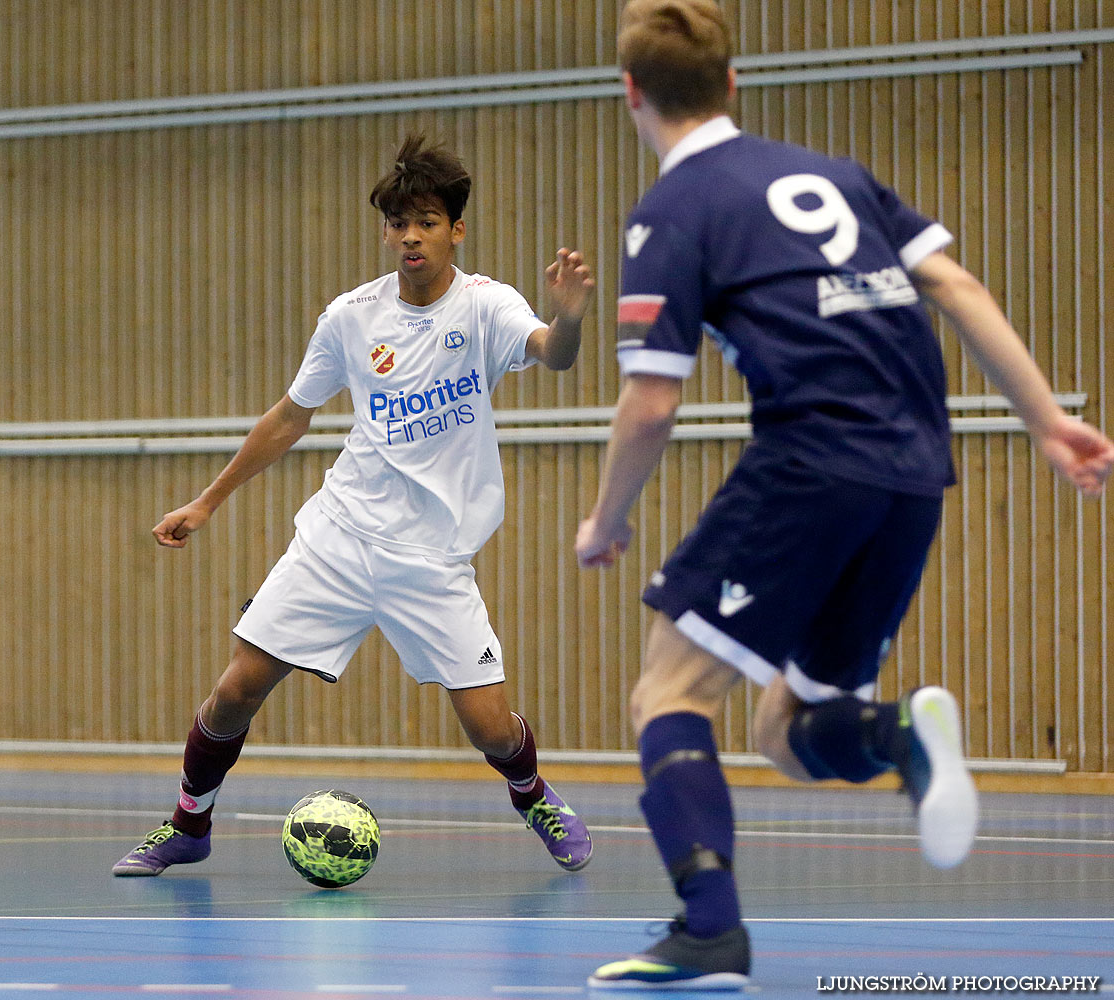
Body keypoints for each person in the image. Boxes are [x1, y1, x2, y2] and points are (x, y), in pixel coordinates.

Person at [575, 0, 1114, 990]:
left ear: (631, 94)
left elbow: (650, 402)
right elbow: (956, 288)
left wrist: (604, 522)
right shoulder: (835, 175)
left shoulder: (671, 211)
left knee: (670, 691)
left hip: (809, 461)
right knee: (787, 729)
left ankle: (710, 929)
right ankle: (895, 736)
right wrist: (1046, 420)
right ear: (734, 82)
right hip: (914, 473)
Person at [113, 134, 597, 879]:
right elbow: (290, 416)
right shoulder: (350, 317)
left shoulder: (488, 306)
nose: (410, 235)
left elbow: (553, 353)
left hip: (433, 556)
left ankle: (533, 796)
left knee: (492, 728)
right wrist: (209, 501)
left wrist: (567, 319)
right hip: (341, 534)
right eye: (398, 222)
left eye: (427, 221)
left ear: (455, 231)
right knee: (236, 688)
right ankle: (188, 823)